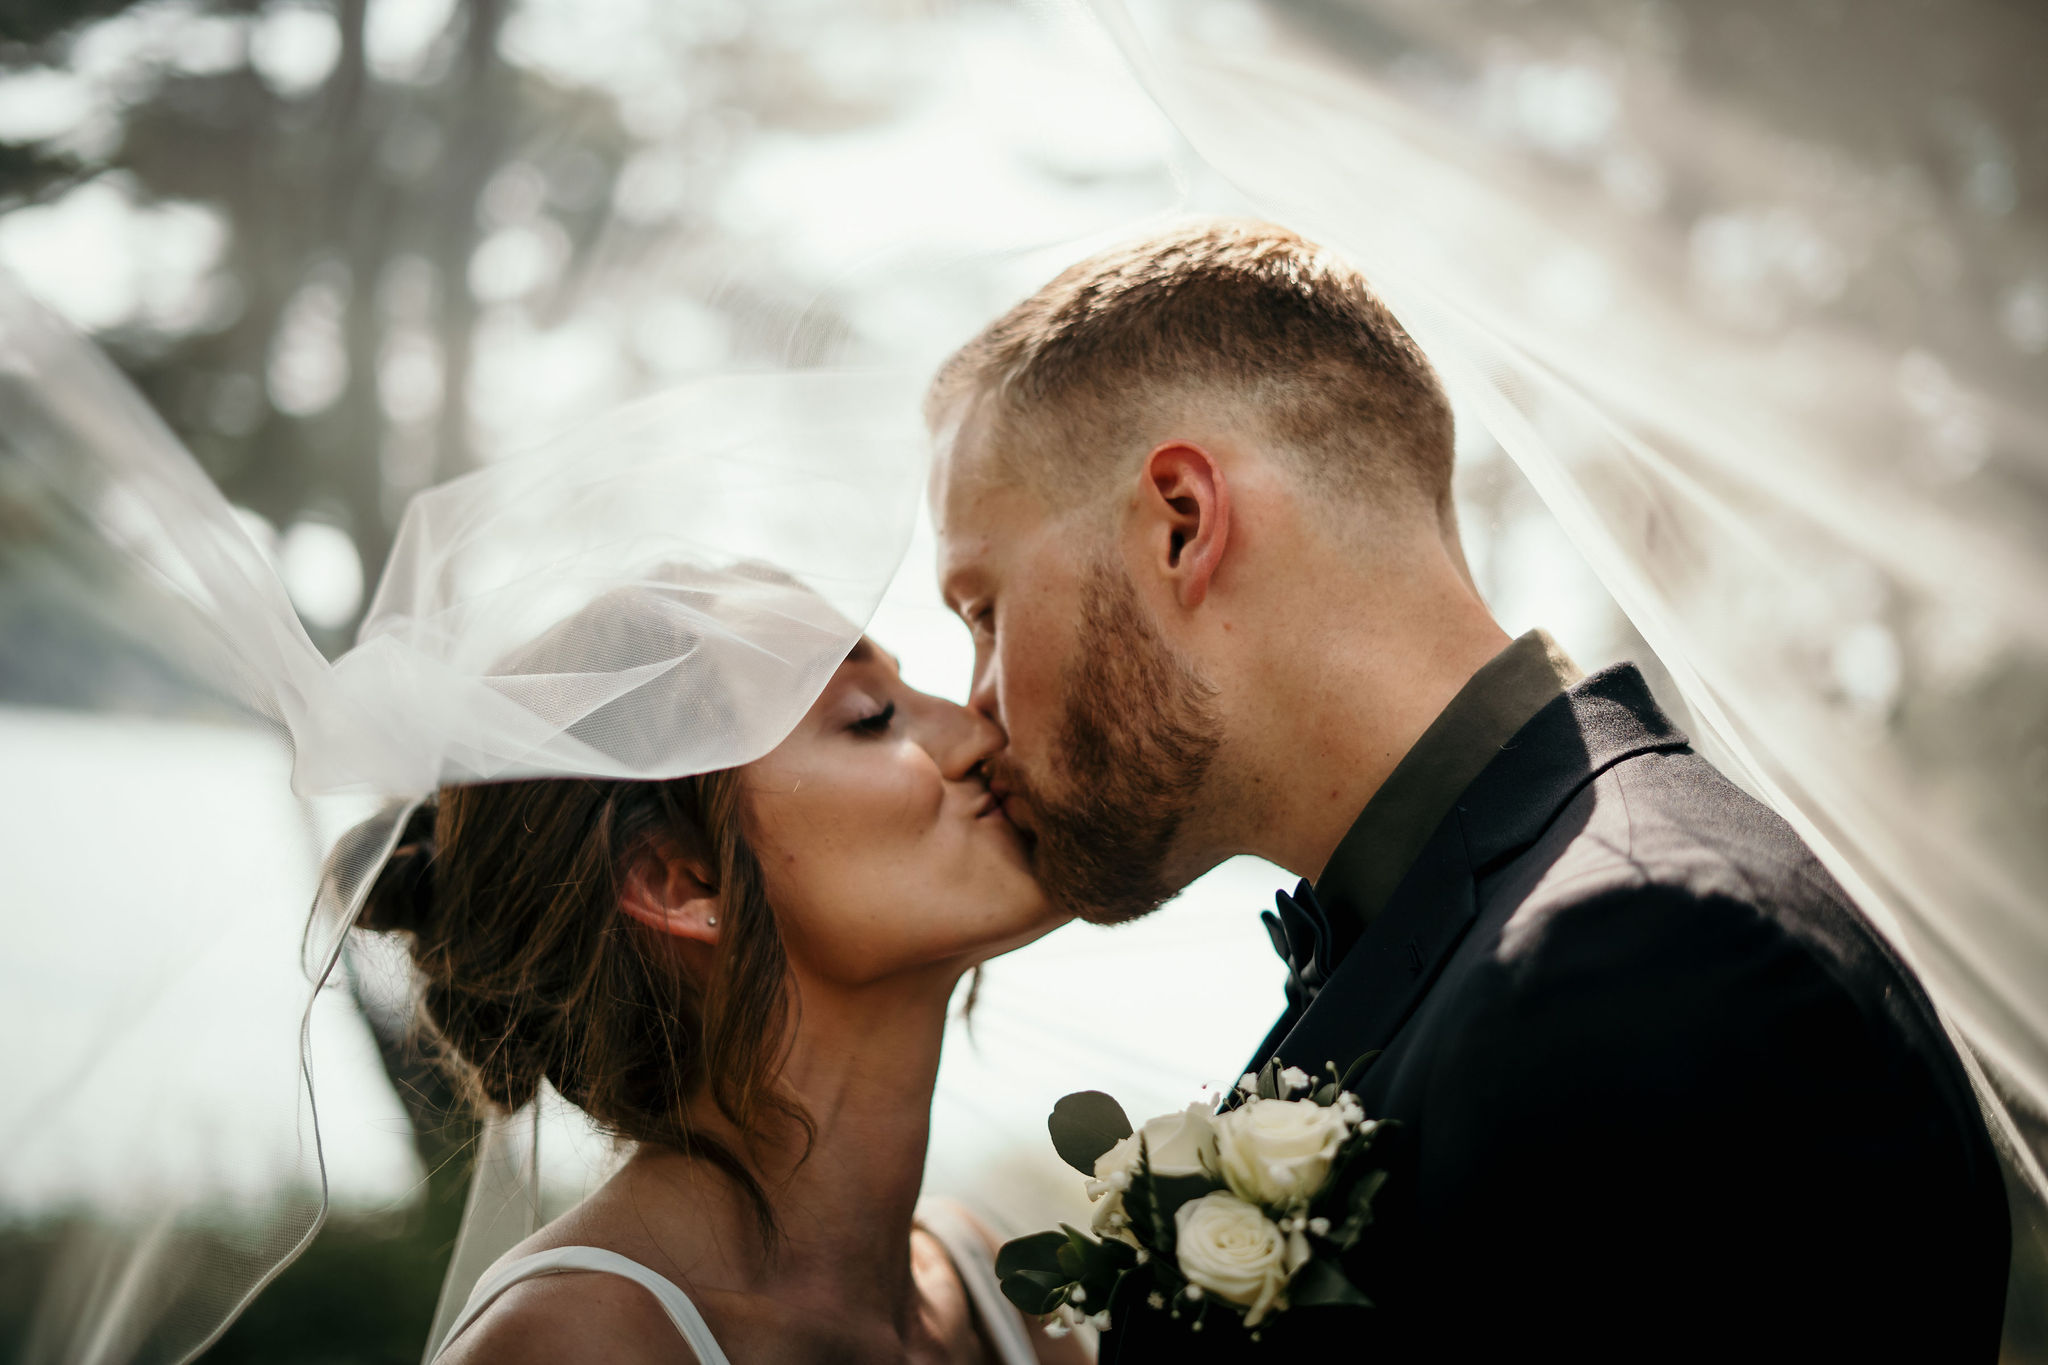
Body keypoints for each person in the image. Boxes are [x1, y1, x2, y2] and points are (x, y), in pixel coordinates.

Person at [927, 217, 2012, 1359]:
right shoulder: (1487, 939)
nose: (978, 701)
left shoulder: (1638, 959)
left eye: (983, 612)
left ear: (1182, 524)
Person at [364, 633, 1089, 1365]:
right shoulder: (574, 1344)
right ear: (682, 880)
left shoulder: (996, 1293)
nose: (981, 730)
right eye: (872, 716)